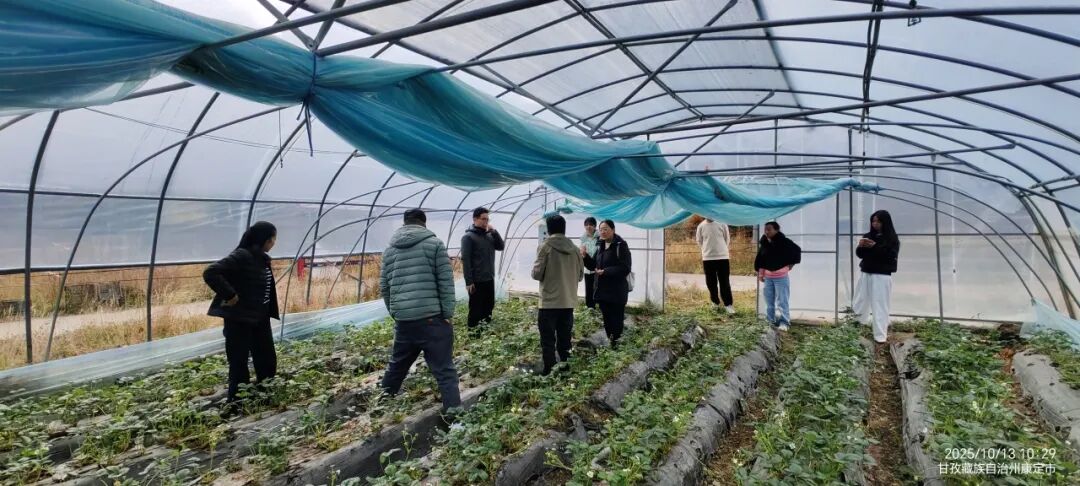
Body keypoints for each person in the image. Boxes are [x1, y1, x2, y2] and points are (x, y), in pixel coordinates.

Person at [379, 209, 461, 411]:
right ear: (424, 223)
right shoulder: (434, 244)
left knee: (397, 366)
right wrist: (447, 314)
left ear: (404, 223)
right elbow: (445, 282)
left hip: (404, 321)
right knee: (444, 370)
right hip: (432, 320)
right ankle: (455, 417)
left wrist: (397, 313)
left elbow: (385, 287)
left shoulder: (389, 251)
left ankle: (380, 408)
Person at [203, 221, 279, 405]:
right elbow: (211, 272)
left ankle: (265, 393)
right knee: (239, 360)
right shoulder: (242, 255)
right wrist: (230, 294)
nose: (274, 243)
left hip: (259, 318)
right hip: (239, 319)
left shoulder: (261, 258)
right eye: (273, 239)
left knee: (266, 357)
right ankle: (237, 402)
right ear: (265, 239)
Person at [532, 215, 584, 375]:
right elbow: (580, 275)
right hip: (568, 302)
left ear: (548, 229)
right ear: (564, 228)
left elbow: (536, 274)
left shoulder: (545, 247)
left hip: (549, 302)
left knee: (548, 340)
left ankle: (549, 371)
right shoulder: (575, 249)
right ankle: (565, 369)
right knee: (565, 339)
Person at [853, 210, 900, 346]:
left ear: (885, 222)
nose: (875, 224)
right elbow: (860, 255)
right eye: (873, 221)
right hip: (866, 273)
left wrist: (874, 246)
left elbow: (890, 256)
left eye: (878, 221)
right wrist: (861, 246)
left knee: (880, 305)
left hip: (881, 275)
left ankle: (880, 336)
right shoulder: (868, 236)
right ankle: (855, 327)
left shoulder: (891, 238)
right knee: (860, 301)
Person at [582, 220, 632, 348]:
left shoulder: (621, 245)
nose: (603, 232)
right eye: (601, 229)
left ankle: (616, 346)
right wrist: (585, 256)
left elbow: (625, 268)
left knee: (616, 321)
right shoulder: (600, 245)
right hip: (603, 292)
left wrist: (606, 271)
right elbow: (593, 265)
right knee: (607, 320)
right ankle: (611, 344)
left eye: (606, 229)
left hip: (617, 292)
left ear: (613, 230)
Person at [461, 207, 505, 332]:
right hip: (476, 281)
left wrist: (494, 232)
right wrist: (469, 281)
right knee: (476, 309)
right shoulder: (468, 237)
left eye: (487, 219)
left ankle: (485, 332)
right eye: (483, 219)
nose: (486, 222)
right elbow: (466, 260)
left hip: (489, 278)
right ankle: (473, 334)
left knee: (489, 306)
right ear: (475, 219)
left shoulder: (489, 235)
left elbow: (501, 246)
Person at [754, 221, 801, 331]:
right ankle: (770, 321)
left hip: (781, 278)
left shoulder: (784, 242)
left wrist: (790, 265)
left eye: (769, 229)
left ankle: (785, 322)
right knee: (769, 301)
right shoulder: (764, 242)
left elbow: (796, 250)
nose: (767, 231)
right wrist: (761, 274)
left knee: (782, 301)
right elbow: (761, 259)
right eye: (765, 229)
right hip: (768, 278)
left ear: (776, 230)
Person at [696, 217, 735, 314]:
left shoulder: (722, 223)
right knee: (710, 282)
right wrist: (706, 250)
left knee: (724, 282)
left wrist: (722, 251)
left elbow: (727, 239)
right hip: (707, 258)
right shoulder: (701, 226)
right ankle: (715, 302)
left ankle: (728, 305)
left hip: (723, 257)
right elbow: (699, 241)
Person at [579, 217, 600, 309]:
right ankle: (590, 307)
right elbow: (581, 251)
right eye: (586, 225)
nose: (588, 227)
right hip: (587, 268)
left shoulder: (600, 237)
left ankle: (600, 307)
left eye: (591, 225)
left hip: (597, 268)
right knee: (588, 288)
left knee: (597, 288)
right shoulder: (583, 238)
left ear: (595, 226)